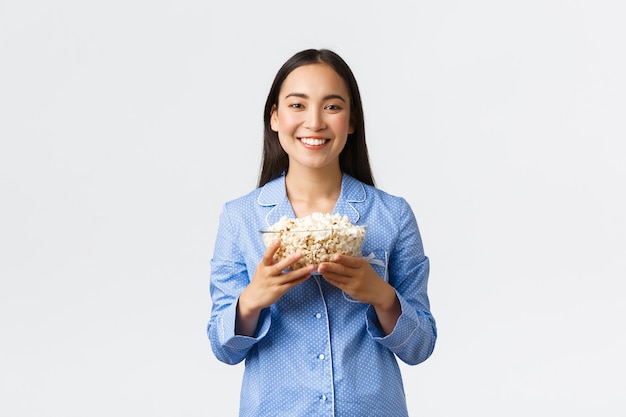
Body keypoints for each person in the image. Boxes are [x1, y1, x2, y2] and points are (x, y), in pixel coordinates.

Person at [207, 48, 437, 416]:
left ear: (351, 121)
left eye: (331, 106)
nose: (314, 122)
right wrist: (252, 299)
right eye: (297, 105)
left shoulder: (392, 215)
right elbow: (224, 349)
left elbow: (420, 346)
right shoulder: (241, 218)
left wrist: (381, 295)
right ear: (275, 117)